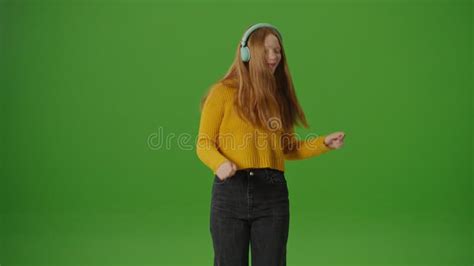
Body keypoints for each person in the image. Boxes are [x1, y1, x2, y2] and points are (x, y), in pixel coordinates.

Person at [196, 23, 345, 266]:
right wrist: (219, 163)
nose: (274, 57)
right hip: (230, 192)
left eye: (277, 51)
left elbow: (288, 148)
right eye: (266, 51)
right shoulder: (222, 93)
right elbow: (203, 143)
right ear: (246, 53)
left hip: (272, 194)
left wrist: (323, 143)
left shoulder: (278, 98)